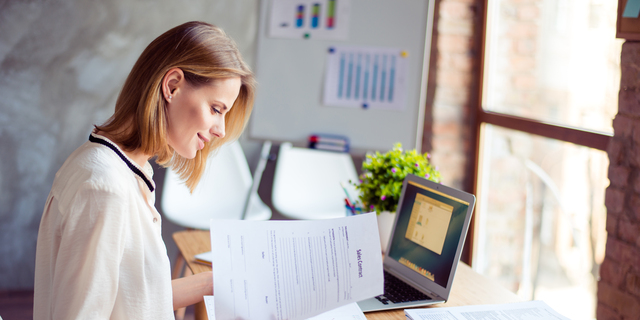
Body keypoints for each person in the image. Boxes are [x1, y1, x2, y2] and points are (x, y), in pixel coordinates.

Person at [33, 21, 255, 319]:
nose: (221, 130)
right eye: (216, 109)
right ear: (172, 86)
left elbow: (134, 298)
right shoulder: (105, 188)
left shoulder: (123, 169)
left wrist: (217, 282)